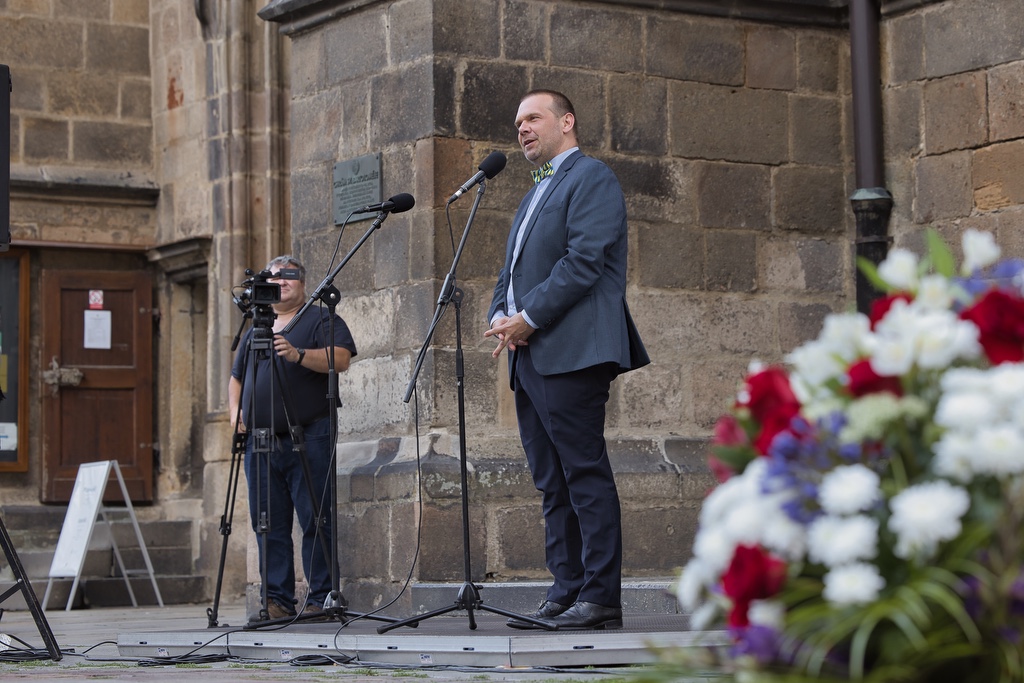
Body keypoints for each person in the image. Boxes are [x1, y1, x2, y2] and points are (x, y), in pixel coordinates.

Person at [485, 90, 649, 630]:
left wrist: (526, 318)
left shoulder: (591, 177)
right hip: (530, 352)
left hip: (573, 350)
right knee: (551, 480)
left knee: (583, 473)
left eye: (533, 117)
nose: (522, 128)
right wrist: (502, 317)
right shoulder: (535, 191)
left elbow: (583, 263)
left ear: (567, 122)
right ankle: (567, 588)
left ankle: (600, 598)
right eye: (518, 122)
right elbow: (514, 271)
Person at [228, 255, 357, 621]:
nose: (281, 282)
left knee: (316, 518)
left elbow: (342, 358)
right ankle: (277, 601)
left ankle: (320, 598)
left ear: (302, 283)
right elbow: (236, 377)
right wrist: (236, 412)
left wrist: (298, 354)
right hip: (261, 439)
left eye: (290, 276)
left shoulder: (318, 318)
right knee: (267, 522)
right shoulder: (257, 325)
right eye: (274, 277)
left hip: (309, 433)